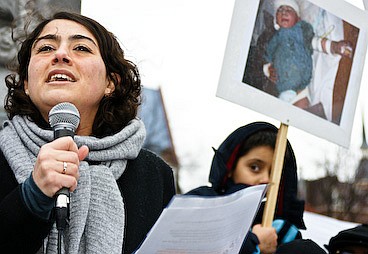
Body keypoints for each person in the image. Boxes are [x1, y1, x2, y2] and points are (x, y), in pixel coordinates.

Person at [0, 11, 176, 254]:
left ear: (110, 83)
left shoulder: (154, 175)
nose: (60, 55)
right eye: (45, 48)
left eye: (81, 48)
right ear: (27, 84)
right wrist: (32, 197)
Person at [186, 122, 306, 254]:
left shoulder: (283, 232)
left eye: (273, 173)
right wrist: (253, 244)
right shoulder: (200, 205)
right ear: (231, 168)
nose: (266, 179)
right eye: (254, 167)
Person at [263, 0, 353, 110]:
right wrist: (268, 69)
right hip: (284, 90)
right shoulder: (275, 40)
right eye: (280, 10)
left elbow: (316, 42)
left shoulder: (301, 32)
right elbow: (268, 57)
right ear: (276, 21)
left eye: (289, 10)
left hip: (302, 90)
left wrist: (334, 46)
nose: (284, 13)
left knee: (302, 113)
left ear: (298, 19)